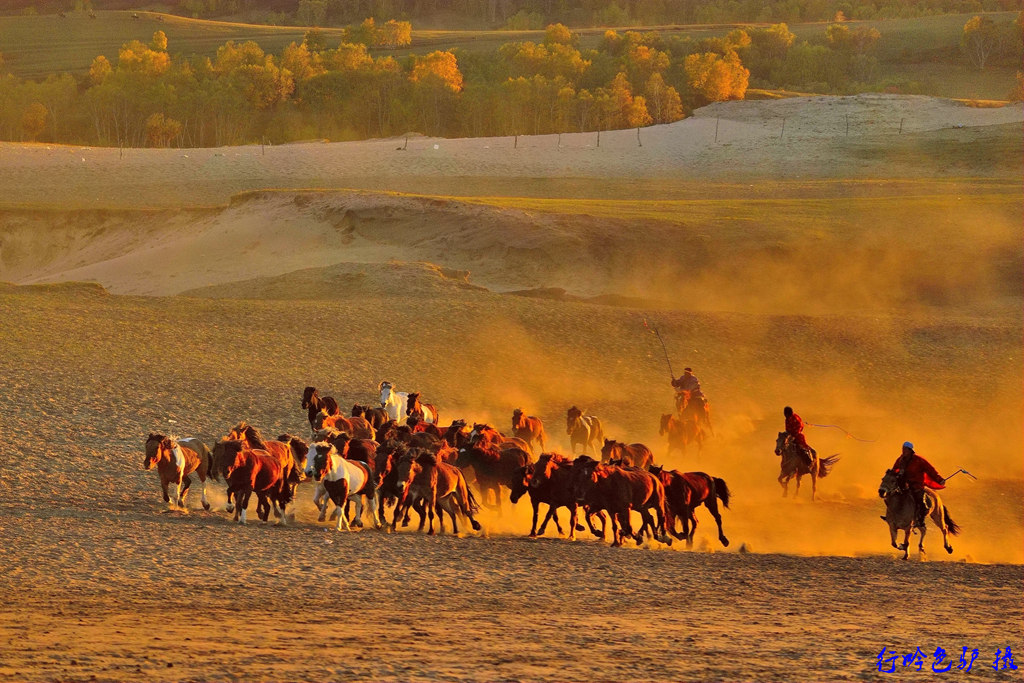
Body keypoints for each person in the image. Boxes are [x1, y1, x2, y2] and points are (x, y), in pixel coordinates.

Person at [892, 442, 946, 530]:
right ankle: (892, 517)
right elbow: (894, 469)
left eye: (905, 449)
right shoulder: (900, 460)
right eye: (903, 448)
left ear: (910, 450)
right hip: (904, 486)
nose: (903, 451)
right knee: (893, 498)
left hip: (917, 486)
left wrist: (939, 479)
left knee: (921, 502)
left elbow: (930, 470)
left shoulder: (919, 460)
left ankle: (921, 521)